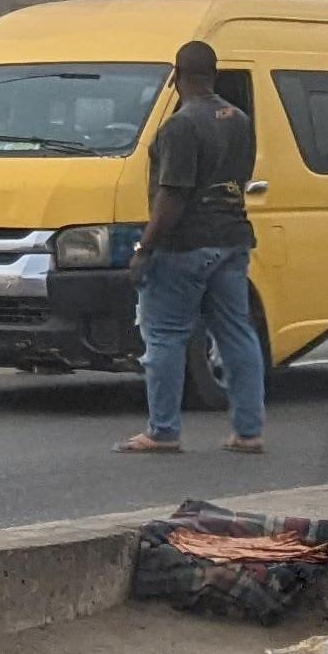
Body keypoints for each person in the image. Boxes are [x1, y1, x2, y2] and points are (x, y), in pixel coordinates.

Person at [116, 41, 267, 457]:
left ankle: (163, 431)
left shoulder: (180, 127)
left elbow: (173, 195)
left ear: (176, 78)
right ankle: (248, 432)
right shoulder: (240, 120)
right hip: (233, 240)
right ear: (214, 75)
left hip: (184, 245)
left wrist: (145, 248)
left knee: (164, 336)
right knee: (237, 333)